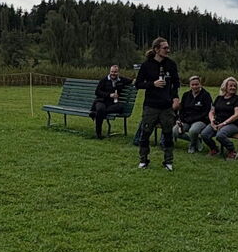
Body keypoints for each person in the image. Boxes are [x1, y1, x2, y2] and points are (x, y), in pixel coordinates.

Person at [135, 38, 180, 170]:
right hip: (151, 105)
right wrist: (152, 84)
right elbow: (138, 84)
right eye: (165, 48)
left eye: (168, 48)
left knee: (168, 134)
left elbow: (176, 83)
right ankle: (143, 160)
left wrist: (175, 97)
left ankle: (168, 162)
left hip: (166, 106)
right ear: (156, 49)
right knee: (145, 133)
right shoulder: (146, 65)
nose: (168, 50)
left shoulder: (171, 64)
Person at [200, 77, 238, 160]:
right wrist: (212, 121)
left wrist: (224, 123)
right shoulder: (219, 98)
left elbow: (237, 114)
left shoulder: (237, 99)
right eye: (231, 86)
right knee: (204, 134)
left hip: (232, 124)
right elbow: (211, 111)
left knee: (220, 135)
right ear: (225, 87)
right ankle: (214, 149)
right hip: (218, 122)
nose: (233, 88)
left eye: (235, 86)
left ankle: (232, 151)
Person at [90, 64, 132, 139]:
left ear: (118, 72)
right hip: (101, 101)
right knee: (101, 109)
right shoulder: (104, 80)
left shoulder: (121, 80)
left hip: (112, 104)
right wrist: (109, 95)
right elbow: (97, 92)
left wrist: (136, 81)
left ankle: (95, 114)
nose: (113, 73)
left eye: (115, 72)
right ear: (110, 71)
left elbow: (130, 81)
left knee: (120, 107)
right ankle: (98, 134)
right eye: (112, 71)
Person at [174, 75, 213, 153]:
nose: (195, 86)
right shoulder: (186, 95)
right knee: (175, 131)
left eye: (196, 84)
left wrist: (193, 119)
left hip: (200, 120)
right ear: (190, 85)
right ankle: (197, 140)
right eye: (192, 85)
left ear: (200, 84)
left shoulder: (206, 95)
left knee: (193, 130)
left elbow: (207, 111)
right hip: (186, 120)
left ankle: (192, 145)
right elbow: (182, 110)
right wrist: (180, 120)